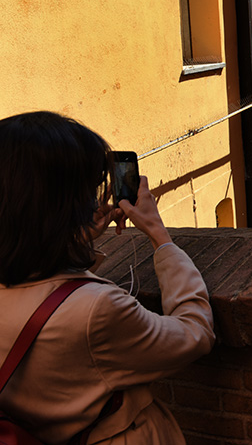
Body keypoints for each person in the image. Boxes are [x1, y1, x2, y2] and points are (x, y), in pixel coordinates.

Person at [0, 111, 215, 443]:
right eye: (87, 192)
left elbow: (46, 292)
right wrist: (159, 235)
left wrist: (72, 238)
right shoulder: (96, 310)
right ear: (63, 206)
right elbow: (194, 333)